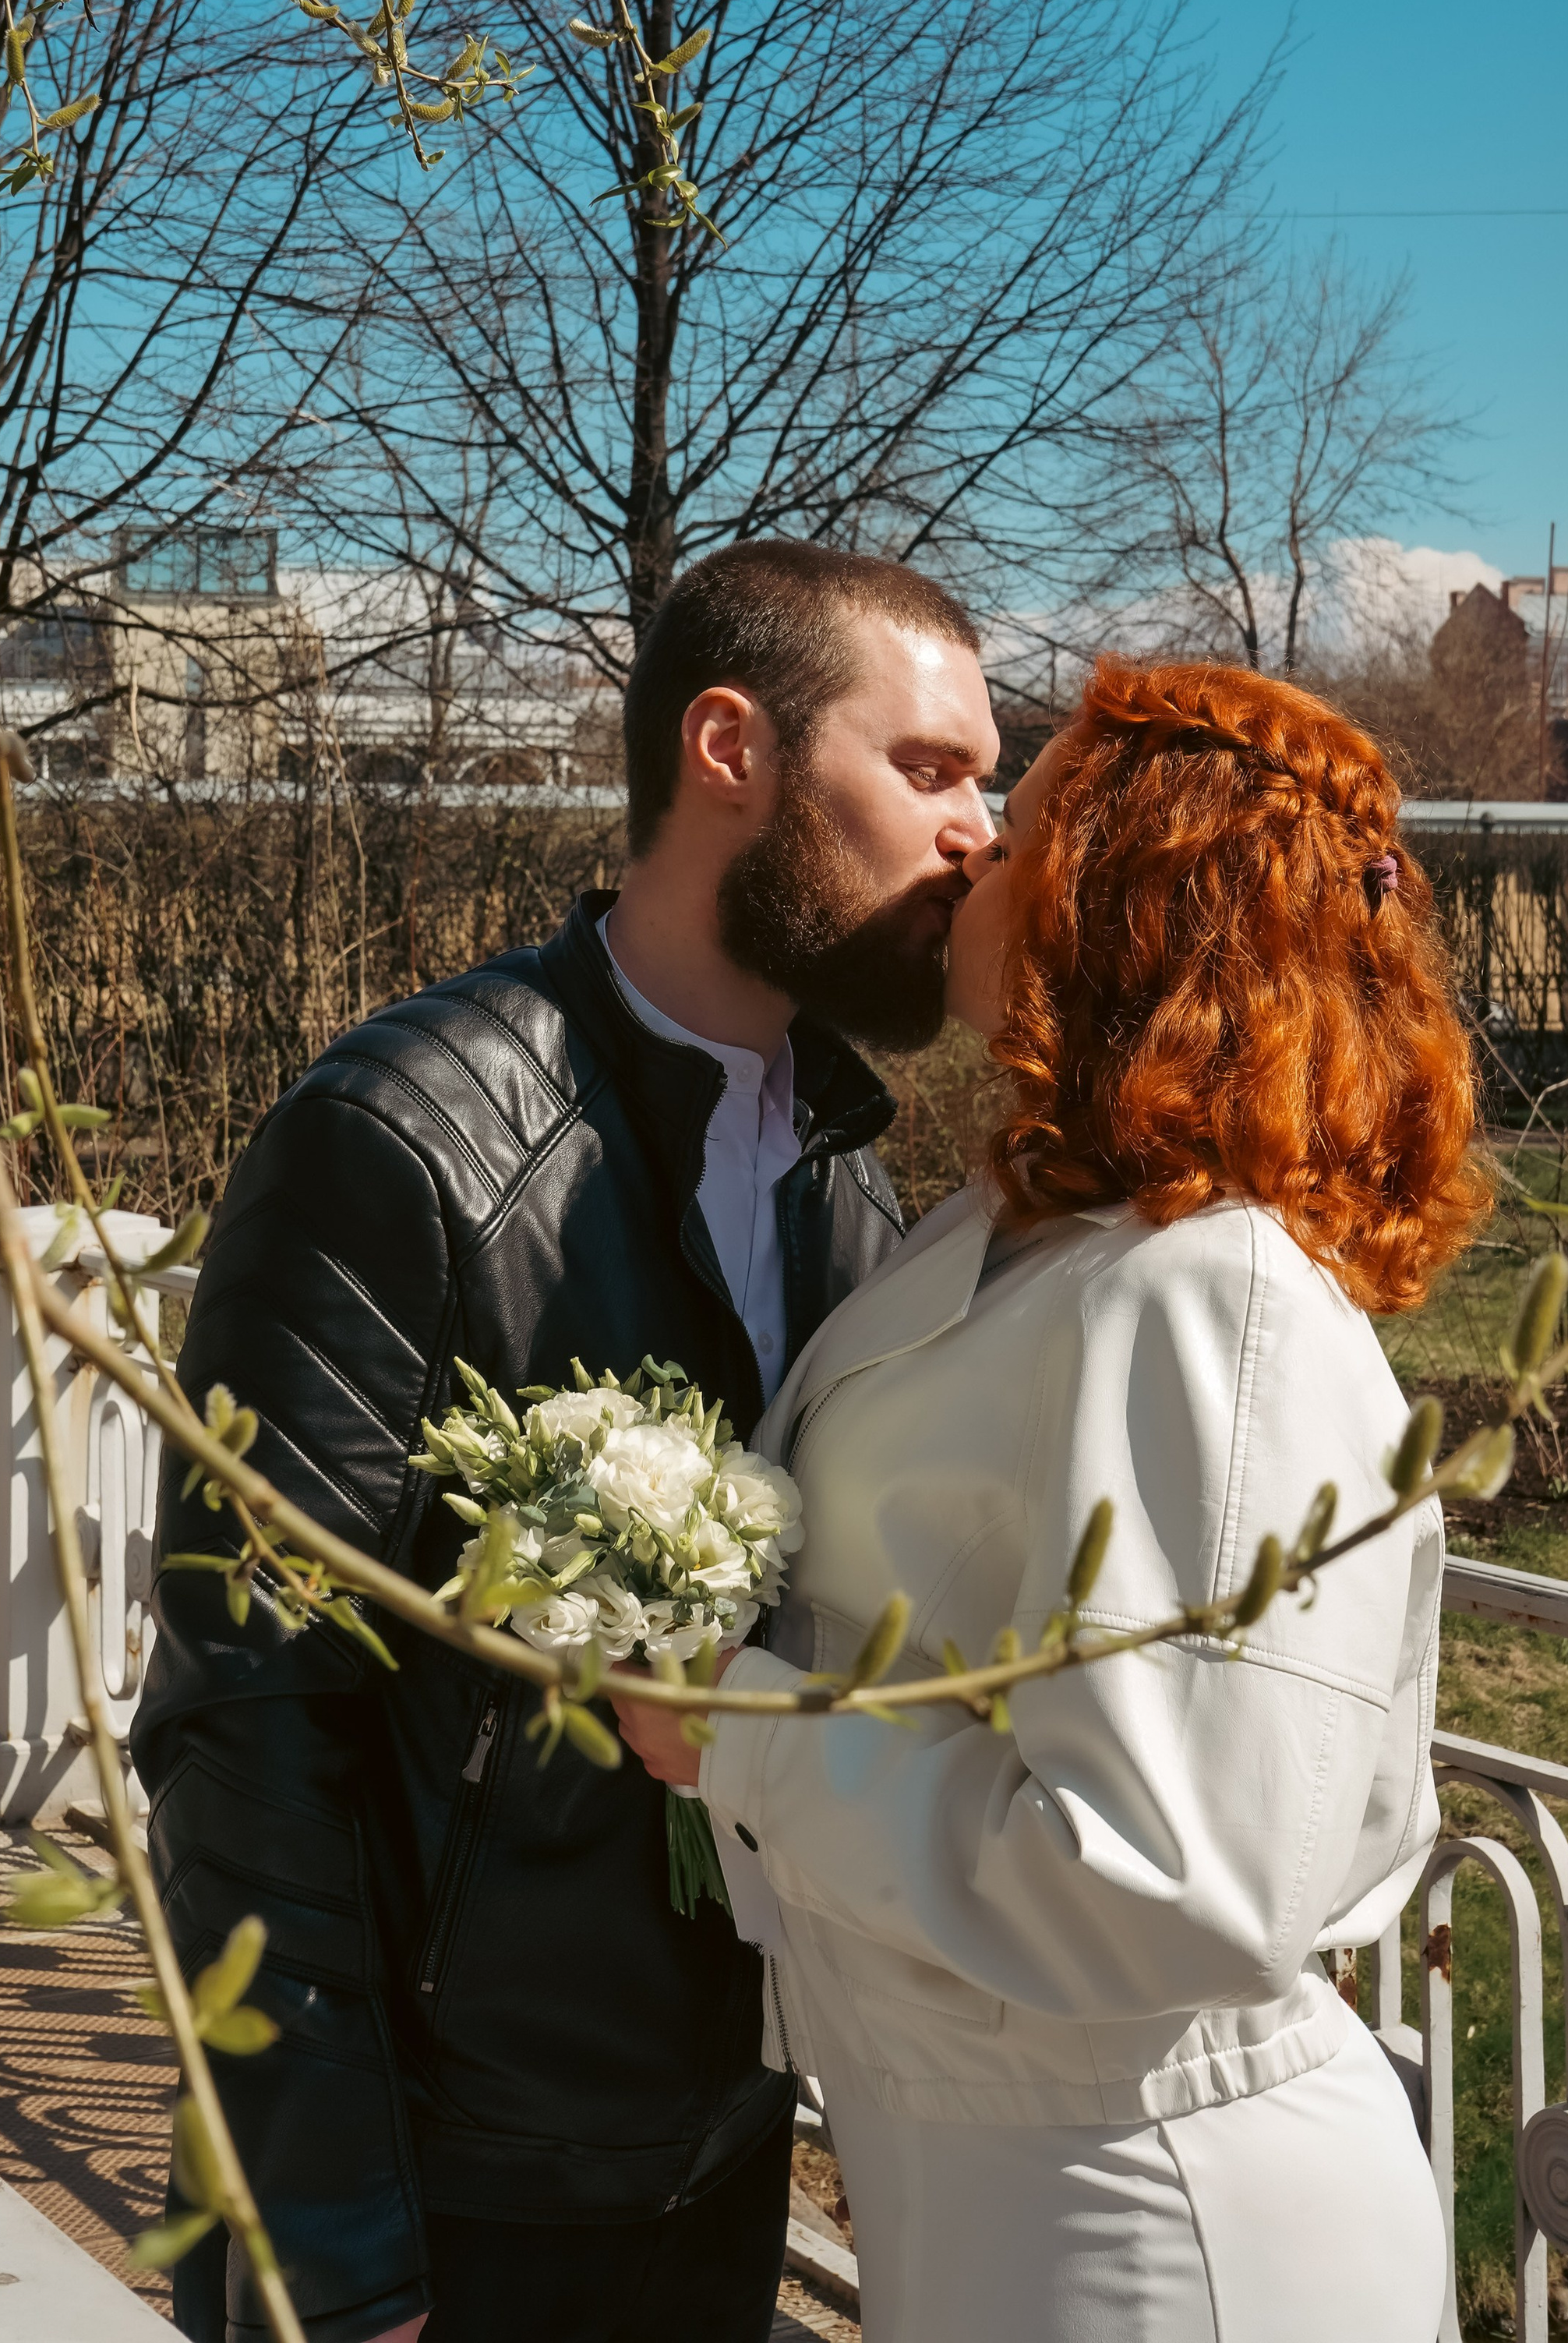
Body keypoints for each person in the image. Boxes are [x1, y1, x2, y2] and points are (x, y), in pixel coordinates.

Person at [132, 539, 998, 2343]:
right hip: (453, 2193)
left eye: (980, 780)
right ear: (727, 750)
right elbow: (251, 1725)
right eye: (926, 768)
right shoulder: (402, 1144)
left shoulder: (849, 1171)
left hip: (721, 2151)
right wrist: (331, 2254)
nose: (975, 831)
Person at [617, 656, 1488, 2343]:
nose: (965, 856)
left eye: (1011, 832)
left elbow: (1183, 1884)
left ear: (1120, 902)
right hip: (990, 2171)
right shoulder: (1027, 1230)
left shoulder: (1207, 1297)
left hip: (1154, 2213)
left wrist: (740, 1732)